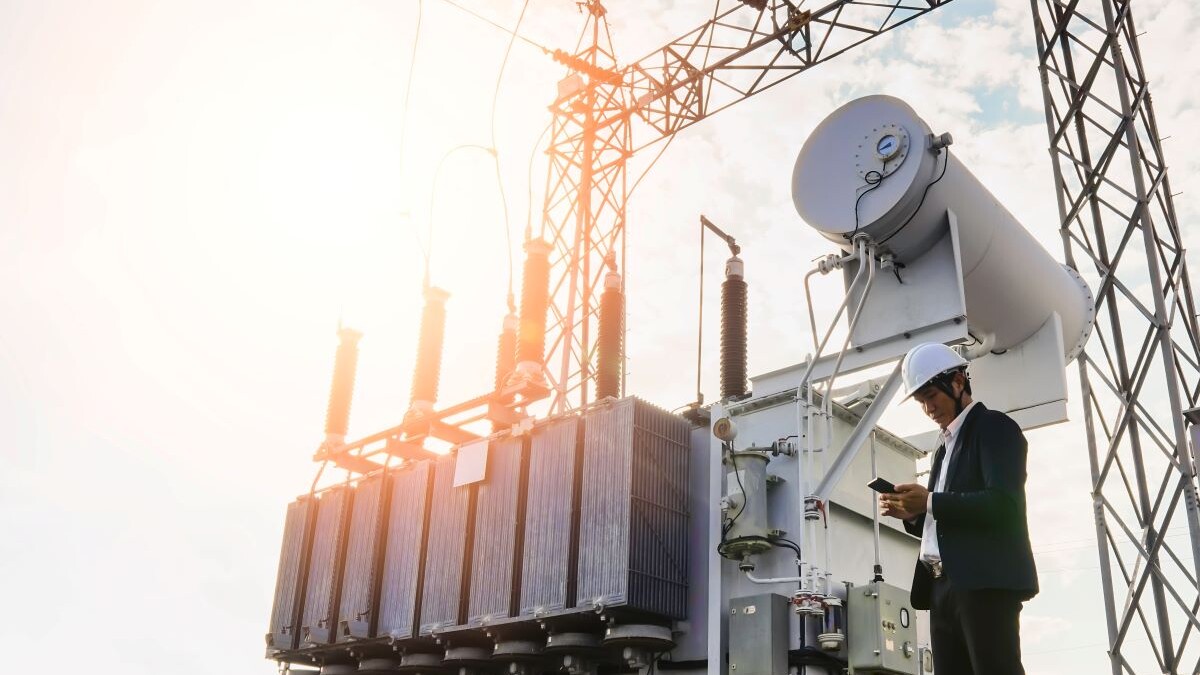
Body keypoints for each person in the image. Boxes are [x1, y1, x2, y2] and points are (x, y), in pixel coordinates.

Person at [879, 342, 1038, 675]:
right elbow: (950, 512)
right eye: (921, 402)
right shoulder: (943, 448)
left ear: (957, 382)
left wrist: (930, 501)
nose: (928, 409)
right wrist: (915, 514)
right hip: (941, 586)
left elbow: (1004, 505)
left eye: (931, 397)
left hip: (983, 583)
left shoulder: (994, 428)